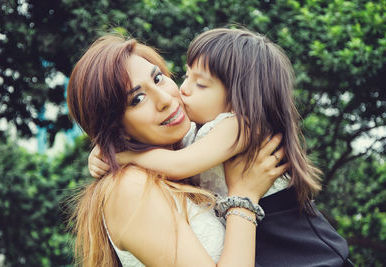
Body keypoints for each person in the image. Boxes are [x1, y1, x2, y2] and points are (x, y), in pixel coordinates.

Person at [89, 28, 353, 266]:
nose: (181, 92)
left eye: (200, 84)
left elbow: (182, 164)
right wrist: (105, 148)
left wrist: (124, 155)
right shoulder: (192, 138)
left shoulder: (240, 126)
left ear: (240, 96)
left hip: (300, 245)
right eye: (137, 98)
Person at [67, 33, 288, 267]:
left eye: (158, 78)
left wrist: (119, 154)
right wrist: (243, 196)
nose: (165, 98)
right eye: (137, 99)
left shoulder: (200, 139)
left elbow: (181, 162)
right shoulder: (131, 187)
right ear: (115, 129)